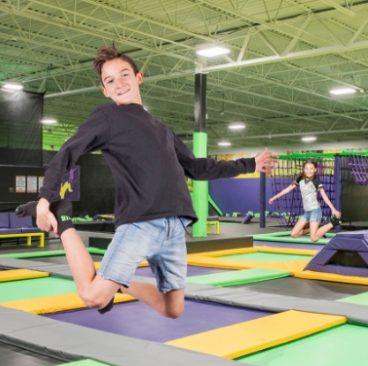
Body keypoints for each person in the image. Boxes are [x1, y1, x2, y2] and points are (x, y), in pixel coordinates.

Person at [17, 46, 276, 318]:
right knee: (93, 296)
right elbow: (67, 153)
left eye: (124, 74)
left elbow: (197, 168)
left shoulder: (161, 128)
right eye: (110, 80)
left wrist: (250, 164)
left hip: (174, 226)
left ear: (139, 77)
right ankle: (64, 218)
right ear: (105, 91)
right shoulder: (109, 118)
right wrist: (46, 200)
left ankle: (122, 286)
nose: (119, 83)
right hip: (140, 222)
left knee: (172, 308)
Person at [268, 160, 341, 242]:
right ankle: (312, 230)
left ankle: (333, 223)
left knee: (314, 238)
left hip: (315, 211)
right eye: (306, 168)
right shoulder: (300, 179)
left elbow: (324, 195)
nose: (309, 171)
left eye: (311, 168)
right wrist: (274, 198)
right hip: (307, 213)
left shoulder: (316, 181)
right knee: (294, 234)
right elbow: (287, 189)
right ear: (303, 169)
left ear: (315, 170)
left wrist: (333, 209)